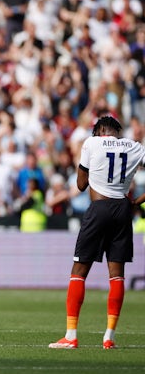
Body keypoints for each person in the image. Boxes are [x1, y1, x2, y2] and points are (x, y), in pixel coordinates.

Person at [49, 116, 145, 350]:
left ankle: (71, 336)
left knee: (79, 271)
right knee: (117, 274)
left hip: (99, 208)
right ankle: (109, 337)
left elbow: (81, 185)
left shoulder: (92, 143)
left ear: (100, 130)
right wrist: (138, 202)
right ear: (116, 131)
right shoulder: (135, 147)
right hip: (123, 210)